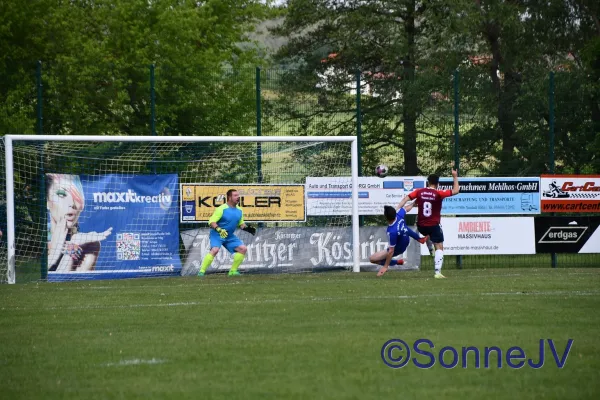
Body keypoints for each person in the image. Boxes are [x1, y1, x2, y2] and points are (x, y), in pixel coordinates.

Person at [396, 168, 460, 279]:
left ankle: (430, 248)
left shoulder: (419, 192)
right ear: (437, 184)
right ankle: (437, 272)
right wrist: (454, 176)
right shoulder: (438, 193)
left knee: (428, 233)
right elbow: (455, 191)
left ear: (427, 182)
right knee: (439, 246)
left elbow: (406, 199)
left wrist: (396, 209)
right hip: (433, 225)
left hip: (421, 226)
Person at [46, 174, 112, 272]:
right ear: (47, 201)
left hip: (66, 283)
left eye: (77, 197)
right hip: (46, 282)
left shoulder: (84, 242)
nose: (72, 204)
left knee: (93, 244)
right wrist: (58, 250)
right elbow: (35, 274)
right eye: (61, 194)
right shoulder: (38, 235)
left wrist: (74, 242)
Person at [197, 189, 256, 277]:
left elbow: (241, 224)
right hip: (217, 234)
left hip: (229, 236)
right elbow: (211, 222)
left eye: (238, 195)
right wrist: (219, 230)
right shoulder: (222, 208)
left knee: (243, 249)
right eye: (235, 195)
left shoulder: (239, 210)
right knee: (215, 250)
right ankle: (201, 272)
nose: (238, 197)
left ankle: (233, 271)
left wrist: (248, 228)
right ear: (229, 197)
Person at [371, 201, 429, 277]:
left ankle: (396, 262)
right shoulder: (399, 216)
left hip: (398, 248)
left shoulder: (391, 231)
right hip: (405, 240)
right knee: (405, 229)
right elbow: (406, 208)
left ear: (385, 217)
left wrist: (385, 266)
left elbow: (391, 251)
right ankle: (419, 239)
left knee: (372, 259)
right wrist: (413, 204)